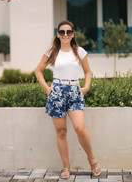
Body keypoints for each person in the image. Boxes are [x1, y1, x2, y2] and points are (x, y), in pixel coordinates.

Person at [35, 20, 101, 179]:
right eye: (62, 32)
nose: (65, 35)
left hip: (74, 92)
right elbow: (38, 71)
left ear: (73, 34)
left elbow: (87, 72)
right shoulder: (52, 52)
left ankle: (92, 161)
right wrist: (47, 89)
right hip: (56, 92)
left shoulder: (79, 51)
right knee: (62, 132)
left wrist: (86, 87)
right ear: (58, 34)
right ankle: (66, 167)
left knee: (80, 128)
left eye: (68, 32)